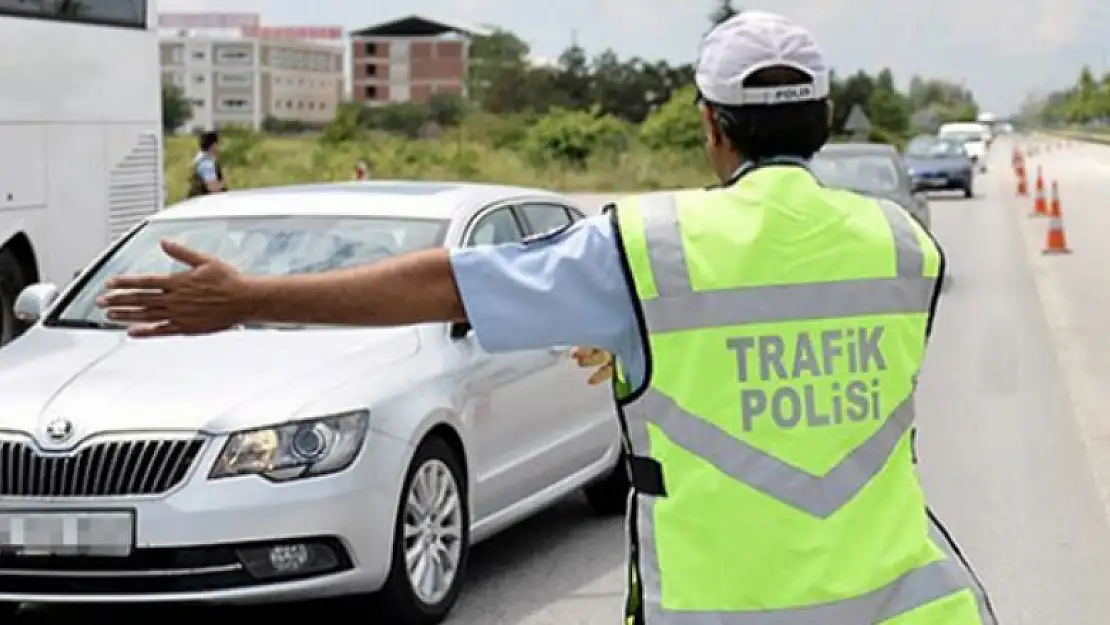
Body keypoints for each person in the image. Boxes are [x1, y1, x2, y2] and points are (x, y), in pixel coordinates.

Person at [98, 11, 996, 625]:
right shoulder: (902, 244)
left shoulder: (651, 249)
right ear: (827, 121)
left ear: (710, 128)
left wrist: (253, 298)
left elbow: (446, 284)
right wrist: (643, 345)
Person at [187, 130, 227, 198]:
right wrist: (224, 182)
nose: (220, 147)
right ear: (213, 145)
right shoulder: (206, 163)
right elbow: (213, 188)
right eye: (219, 143)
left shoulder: (202, 159)